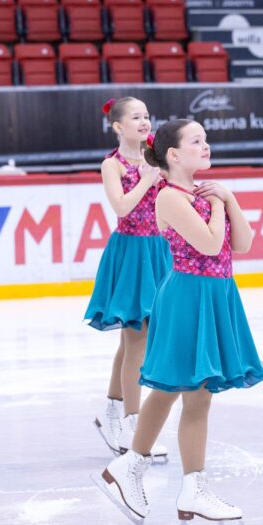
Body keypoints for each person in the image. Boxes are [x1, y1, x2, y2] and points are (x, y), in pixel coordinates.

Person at [93, 119, 263, 525]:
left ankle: (191, 487)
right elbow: (208, 244)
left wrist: (231, 199)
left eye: (206, 139)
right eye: (196, 141)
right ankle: (132, 467)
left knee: (199, 392)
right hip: (187, 296)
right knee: (173, 385)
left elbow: (242, 243)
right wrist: (221, 203)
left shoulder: (205, 192)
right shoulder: (170, 197)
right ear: (173, 155)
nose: (205, 146)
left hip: (217, 294)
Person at [85, 97, 170, 461]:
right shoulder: (112, 164)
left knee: (132, 339)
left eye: (147, 115)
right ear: (118, 126)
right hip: (131, 253)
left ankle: (112, 412)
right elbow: (121, 207)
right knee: (138, 338)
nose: (145, 122)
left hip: (159, 251)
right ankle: (133, 421)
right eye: (136, 116)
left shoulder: (157, 157)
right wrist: (149, 178)